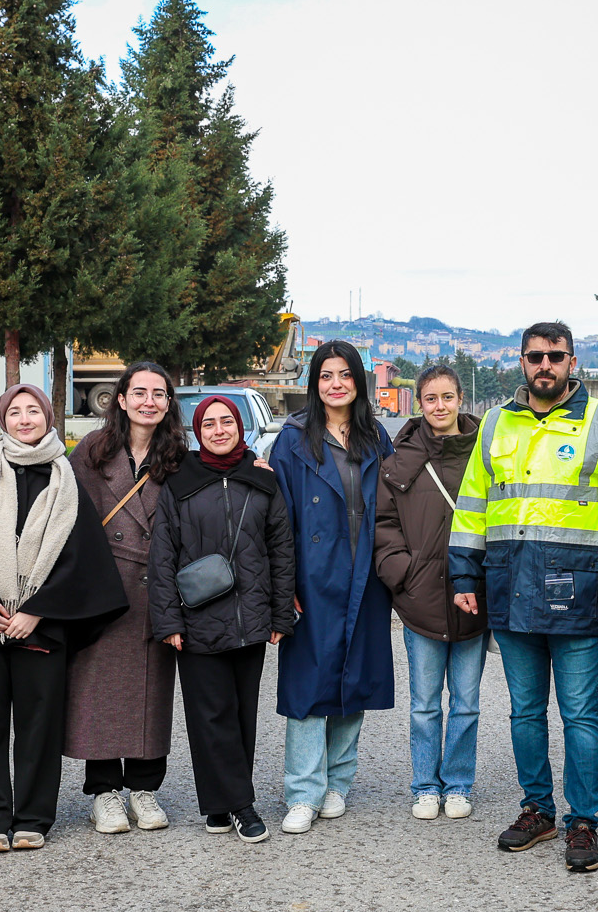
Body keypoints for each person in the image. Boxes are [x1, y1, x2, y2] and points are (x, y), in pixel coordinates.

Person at [450, 321, 598, 873]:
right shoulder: (495, 423)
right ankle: (537, 810)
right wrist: (464, 577)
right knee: (525, 713)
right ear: (521, 361)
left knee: (581, 713)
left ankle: (583, 822)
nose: (545, 365)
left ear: (572, 361)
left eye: (555, 356)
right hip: (510, 586)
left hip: (578, 588)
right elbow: (472, 505)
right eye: (535, 356)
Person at [0, 385, 127, 852]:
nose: (23, 419)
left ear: (48, 416)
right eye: (13, 412)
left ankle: (34, 817)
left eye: (32, 410)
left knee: (40, 724)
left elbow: (81, 559)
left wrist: (37, 610)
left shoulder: (67, 480)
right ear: (2, 420)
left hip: (44, 623)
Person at [149, 396, 296, 843]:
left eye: (226, 422)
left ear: (241, 427)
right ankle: (242, 807)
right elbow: (162, 556)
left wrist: (280, 614)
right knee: (208, 715)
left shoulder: (262, 481)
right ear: (197, 431)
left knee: (240, 714)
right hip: (197, 618)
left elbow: (281, 551)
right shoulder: (179, 483)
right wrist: (168, 621)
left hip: (250, 617)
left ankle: (218, 806)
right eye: (208, 424)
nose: (218, 430)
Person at [268, 341, 395, 834]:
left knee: (353, 679)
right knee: (307, 686)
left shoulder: (376, 436)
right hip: (312, 575)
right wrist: (285, 586)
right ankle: (303, 791)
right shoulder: (294, 438)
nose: (335, 383)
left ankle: (338, 783)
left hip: (365, 574)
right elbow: (278, 519)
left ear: (359, 382)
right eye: (325, 375)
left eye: (345, 375)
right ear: (314, 383)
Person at [68, 363, 187, 835]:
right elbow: (66, 511)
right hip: (104, 587)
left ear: (168, 402)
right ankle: (103, 792)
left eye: (159, 393)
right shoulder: (92, 451)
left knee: (152, 690)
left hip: (156, 589)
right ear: (120, 399)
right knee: (97, 691)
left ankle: (144, 786)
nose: (149, 401)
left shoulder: (179, 455)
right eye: (139, 392)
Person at [375, 364, 487, 820]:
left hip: (474, 596)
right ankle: (425, 784)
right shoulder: (400, 457)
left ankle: (457, 782)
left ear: (461, 399)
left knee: (466, 702)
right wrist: (403, 574)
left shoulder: (487, 451)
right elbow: (384, 524)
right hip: (419, 597)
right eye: (430, 399)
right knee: (424, 703)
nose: (439, 407)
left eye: (447, 398)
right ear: (419, 404)